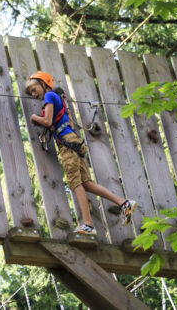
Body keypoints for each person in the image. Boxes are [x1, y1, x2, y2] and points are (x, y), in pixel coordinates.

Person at [25, 71, 136, 235]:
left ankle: (88, 224)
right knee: (86, 183)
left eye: (34, 90)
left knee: (74, 183)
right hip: (73, 140)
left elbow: (47, 121)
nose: (34, 95)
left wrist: (35, 117)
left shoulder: (49, 96)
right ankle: (124, 203)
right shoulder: (58, 100)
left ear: (43, 83)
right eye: (31, 93)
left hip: (67, 144)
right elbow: (68, 122)